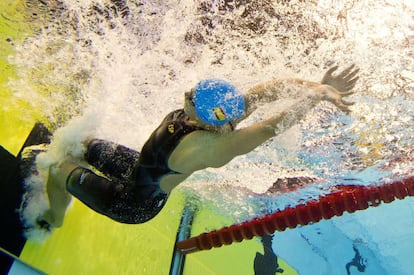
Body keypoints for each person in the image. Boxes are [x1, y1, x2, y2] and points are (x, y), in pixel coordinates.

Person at [37, 64, 359, 229]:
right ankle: (71, 176)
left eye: (191, 99)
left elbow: (270, 128)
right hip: (139, 168)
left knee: (56, 168)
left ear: (207, 119)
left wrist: (315, 101)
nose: (186, 95)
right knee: (81, 143)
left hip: (132, 204)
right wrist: (316, 86)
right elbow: (269, 90)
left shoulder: (209, 147)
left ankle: (53, 216)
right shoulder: (223, 113)